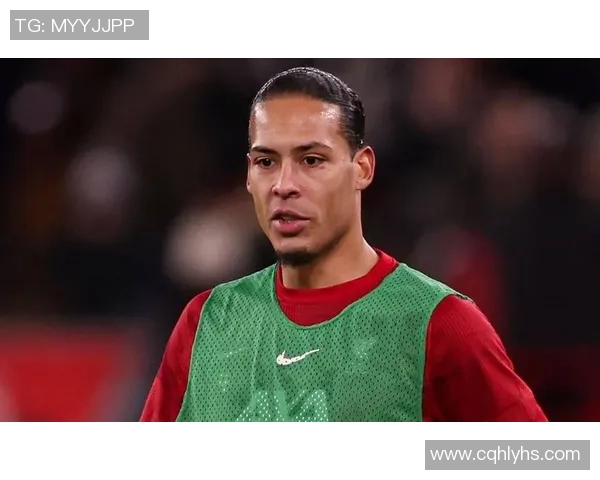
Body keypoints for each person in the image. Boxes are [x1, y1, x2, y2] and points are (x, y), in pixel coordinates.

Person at [140, 66, 547, 422]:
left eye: (311, 160)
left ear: (362, 168)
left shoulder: (437, 323)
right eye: (266, 162)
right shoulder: (207, 323)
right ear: (249, 175)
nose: (284, 185)